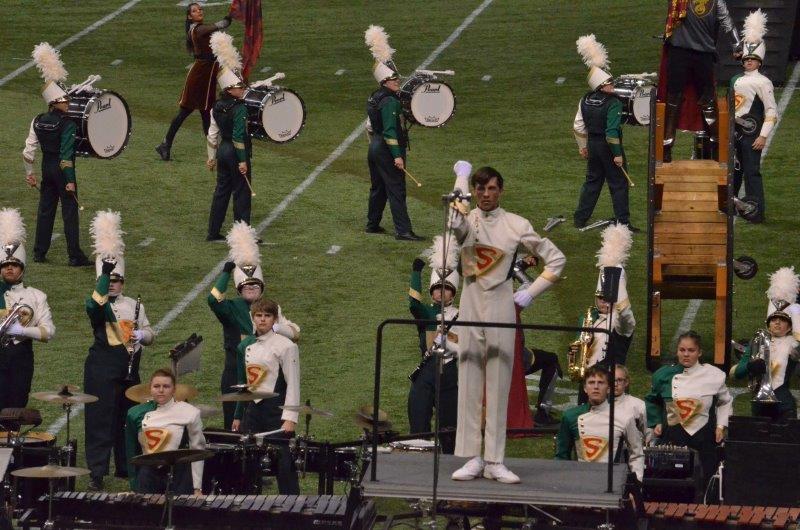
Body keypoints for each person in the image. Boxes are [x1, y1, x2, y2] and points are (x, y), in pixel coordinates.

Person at [449, 162, 566, 484]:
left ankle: (494, 460)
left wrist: (531, 292)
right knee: (469, 379)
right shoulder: (467, 221)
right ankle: (472, 457)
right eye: (480, 188)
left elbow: (556, 258)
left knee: (500, 382)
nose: (486, 194)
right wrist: (460, 177)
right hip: (470, 301)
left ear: (501, 191)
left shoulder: (516, 224)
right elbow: (454, 219)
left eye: (492, 188)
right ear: (473, 191)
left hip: (501, 303)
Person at [84, 211, 154, 491]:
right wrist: (103, 274)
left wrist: (142, 335)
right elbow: (95, 305)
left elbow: (150, 334)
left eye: (116, 280)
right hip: (101, 369)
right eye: (108, 280)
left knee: (128, 420)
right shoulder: (96, 303)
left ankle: (125, 467)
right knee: (100, 420)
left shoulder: (134, 306)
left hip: (130, 369)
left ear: (123, 282)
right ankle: (97, 472)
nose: (112, 284)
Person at [208, 221, 299, 429]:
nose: (250, 288)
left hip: (265, 374)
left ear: (262, 287)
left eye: (255, 285)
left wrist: (275, 328)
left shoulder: (271, 309)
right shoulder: (231, 307)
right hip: (235, 370)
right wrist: (225, 273)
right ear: (239, 288)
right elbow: (213, 299)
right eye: (246, 285)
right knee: (234, 426)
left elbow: (294, 333)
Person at [23, 42, 90, 266]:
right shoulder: (68, 124)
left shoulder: (38, 120)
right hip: (62, 171)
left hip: (46, 168)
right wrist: (70, 180)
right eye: (64, 100)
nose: (68, 102)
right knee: (69, 212)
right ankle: (74, 256)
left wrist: (29, 173)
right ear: (55, 102)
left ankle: (39, 252)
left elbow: (28, 151)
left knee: (45, 210)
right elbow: (65, 157)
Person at [645, 331, 732, 490]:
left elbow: (725, 401)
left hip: (704, 436)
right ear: (677, 351)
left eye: (691, 350)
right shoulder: (663, 375)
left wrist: (721, 426)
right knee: (671, 480)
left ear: (699, 352)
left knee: (706, 479)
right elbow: (652, 400)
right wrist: (657, 422)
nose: (686, 354)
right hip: (673, 435)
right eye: (682, 350)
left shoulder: (714, 375)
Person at [232, 298, 300, 494]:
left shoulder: (286, 345)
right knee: (248, 462)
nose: (262, 320)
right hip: (253, 411)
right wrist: (238, 415)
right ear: (253, 318)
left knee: (284, 464)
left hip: (276, 411)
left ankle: (292, 505)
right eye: (258, 315)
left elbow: (293, 383)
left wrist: (290, 418)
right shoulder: (245, 346)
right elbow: (244, 384)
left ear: (275, 319)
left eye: (267, 316)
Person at [660, 0, 740, 162]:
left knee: (708, 100)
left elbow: (726, 21)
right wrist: (736, 43)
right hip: (679, 51)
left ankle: (716, 145)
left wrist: (737, 44)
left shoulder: (716, 2)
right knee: (673, 100)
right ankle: (666, 146)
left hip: (703, 54)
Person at [363, 25, 422, 241]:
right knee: (396, 189)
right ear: (384, 81)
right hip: (387, 148)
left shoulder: (375, 96)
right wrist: (397, 155)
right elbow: (390, 131)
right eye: (394, 79)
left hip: (375, 147)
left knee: (378, 187)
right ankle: (403, 230)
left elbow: (370, 126)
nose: (398, 81)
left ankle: (372, 224)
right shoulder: (389, 101)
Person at [156, 2, 232, 161]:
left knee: (206, 114)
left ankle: (214, 150)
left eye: (200, 9)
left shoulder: (199, 28)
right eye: (195, 11)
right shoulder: (197, 29)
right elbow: (218, 26)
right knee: (184, 112)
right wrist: (229, 17)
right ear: (190, 16)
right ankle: (166, 144)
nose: (199, 12)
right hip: (199, 77)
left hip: (207, 76)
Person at [569, 224, 635, 403]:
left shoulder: (620, 323)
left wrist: (616, 280)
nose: (604, 302)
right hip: (588, 381)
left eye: (608, 299)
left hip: (612, 387)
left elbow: (626, 314)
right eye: (600, 298)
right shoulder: (590, 318)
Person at [573, 35, 633, 230]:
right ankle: (623, 222)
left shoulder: (585, 99)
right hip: (608, 147)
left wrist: (583, 147)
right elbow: (611, 132)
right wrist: (617, 154)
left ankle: (580, 218)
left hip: (592, 145)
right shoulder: (614, 103)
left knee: (592, 182)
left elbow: (578, 126)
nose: (612, 86)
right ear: (601, 85)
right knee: (619, 184)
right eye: (609, 83)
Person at [407, 235, 460, 454]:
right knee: (418, 423)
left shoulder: (461, 314)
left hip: (449, 372)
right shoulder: (426, 313)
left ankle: (449, 463)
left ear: (453, 292)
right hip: (426, 371)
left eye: (446, 288)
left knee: (449, 429)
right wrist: (416, 273)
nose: (441, 292)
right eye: (437, 288)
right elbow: (413, 304)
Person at [0, 209, 55, 410]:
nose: (9, 268)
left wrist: (22, 331)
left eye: (14, 265)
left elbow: (49, 332)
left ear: (22, 269)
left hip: (21, 358)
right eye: (5, 264)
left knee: (15, 411)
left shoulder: (36, 296)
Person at [732, 267, 800, 420]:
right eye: (773, 320)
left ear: (789, 326)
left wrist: (795, 307)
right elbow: (736, 373)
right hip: (759, 405)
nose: (777, 322)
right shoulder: (757, 341)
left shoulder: (794, 345)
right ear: (768, 324)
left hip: (784, 406)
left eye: (782, 320)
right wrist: (750, 366)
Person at [556, 365, 644, 482]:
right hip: (579, 482)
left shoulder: (625, 417)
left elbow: (637, 454)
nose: (596, 387)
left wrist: (637, 483)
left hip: (612, 483)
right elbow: (562, 456)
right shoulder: (570, 416)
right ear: (585, 388)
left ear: (608, 388)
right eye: (591, 382)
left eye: (601, 383)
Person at [125, 368, 205, 495]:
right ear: (150, 389)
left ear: (174, 389)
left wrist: (197, 488)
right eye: (156, 386)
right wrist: (133, 485)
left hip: (179, 473)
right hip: (148, 475)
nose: (161, 390)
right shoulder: (135, 413)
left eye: (166, 386)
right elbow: (131, 452)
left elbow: (198, 450)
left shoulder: (190, 412)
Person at [731, 10, 777, 223]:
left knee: (751, 172)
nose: (749, 61)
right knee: (733, 171)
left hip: (751, 134)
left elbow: (771, 111)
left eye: (753, 59)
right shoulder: (735, 79)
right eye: (747, 58)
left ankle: (755, 212)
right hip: (734, 132)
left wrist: (763, 136)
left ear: (760, 62)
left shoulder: (763, 82)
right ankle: (730, 206)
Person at [205, 33, 252, 242]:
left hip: (222, 152)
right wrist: (242, 160)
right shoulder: (239, 108)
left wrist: (211, 157)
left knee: (221, 192)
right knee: (241, 193)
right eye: (239, 87)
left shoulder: (216, 106)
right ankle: (242, 234)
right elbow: (238, 137)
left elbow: (212, 133)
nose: (242, 89)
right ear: (230, 89)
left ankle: (213, 231)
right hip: (235, 153)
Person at [614, 365, 648, 443]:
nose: (615, 384)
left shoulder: (639, 406)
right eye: (611, 379)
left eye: (619, 380)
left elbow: (648, 435)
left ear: (626, 382)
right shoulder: (597, 405)